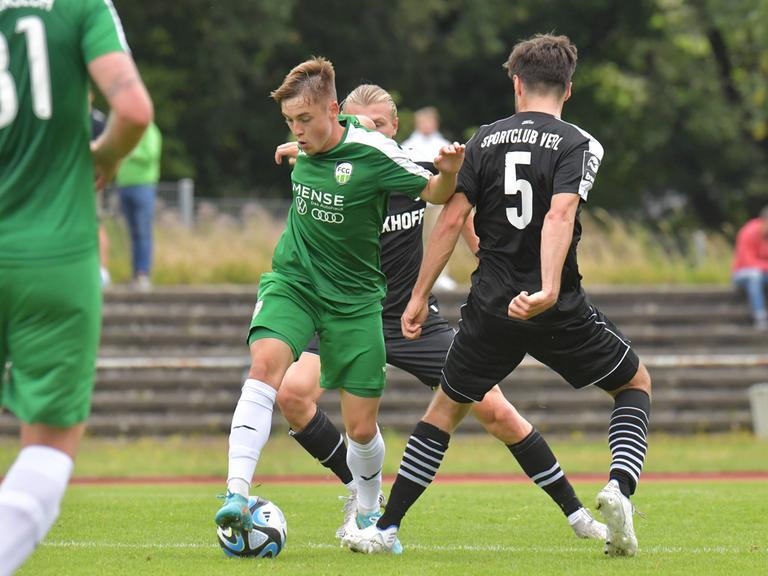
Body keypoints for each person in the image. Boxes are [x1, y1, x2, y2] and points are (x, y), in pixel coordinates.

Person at [343, 34, 652, 558]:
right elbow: (559, 215)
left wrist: (419, 296)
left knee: (443, 410)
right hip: (555, 305)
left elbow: (450, 220)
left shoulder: (483, 140)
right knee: (635, 383)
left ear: (516, 83)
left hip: (490, 304)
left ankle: (385, 527)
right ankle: (618, 487)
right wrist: (549, 289)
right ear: (568, 90)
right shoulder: (578, 143)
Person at [274, 84, 606, 546]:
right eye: (359, 124)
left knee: (497, 411)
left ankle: (577, 515)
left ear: (395, 129)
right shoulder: (328, 166)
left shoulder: (416, 169)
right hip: (346, 314)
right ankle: (358, 491)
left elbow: (461, 218)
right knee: (292, 395)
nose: (369, 132)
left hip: (412, 323)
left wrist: (504, 274)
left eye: (380, 125)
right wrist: (296, 144)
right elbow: (307, 143)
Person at [213, 57, 465, 535]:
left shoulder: (374, 153)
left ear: (331, 109)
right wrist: (300, 140)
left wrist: (449, 173)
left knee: (362, 428)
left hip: (354, 299)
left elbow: (434, 192)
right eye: (290, 122)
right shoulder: (314, 136)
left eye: (305, 120)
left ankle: (369, 511)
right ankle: (236, 493)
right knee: (266, 367)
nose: (297, 131)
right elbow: (331, 135)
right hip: (294, 281)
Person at [0, 1, 153, 574]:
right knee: (46, 451)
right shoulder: (79, 5)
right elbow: (133, 109)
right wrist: (104, 157)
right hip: (54, 251)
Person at [402, 106, 459, 291]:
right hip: (417, 202)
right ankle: (417, 276)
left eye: (429, 121)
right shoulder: (408, 145)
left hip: (437, 203)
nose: (426, 125)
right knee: (416, 241)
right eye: (423, 121)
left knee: (439, 238)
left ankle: (441, 276)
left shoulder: (443, 144)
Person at [116, 120, 162, 290]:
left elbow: (151, 154)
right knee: (132, 234)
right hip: (124, 185)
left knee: (143, 232)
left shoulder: (149, 130)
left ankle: (143, 274)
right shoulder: (125, 129)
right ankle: (135, 274)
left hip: (143, 185)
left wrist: (129, 151)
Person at [731, 207, 768, 331]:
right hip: (743, 273)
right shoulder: (748, 232)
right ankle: (760, 316)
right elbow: (748, 262)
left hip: (764, 273)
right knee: (754, 275)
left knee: (757, 274)